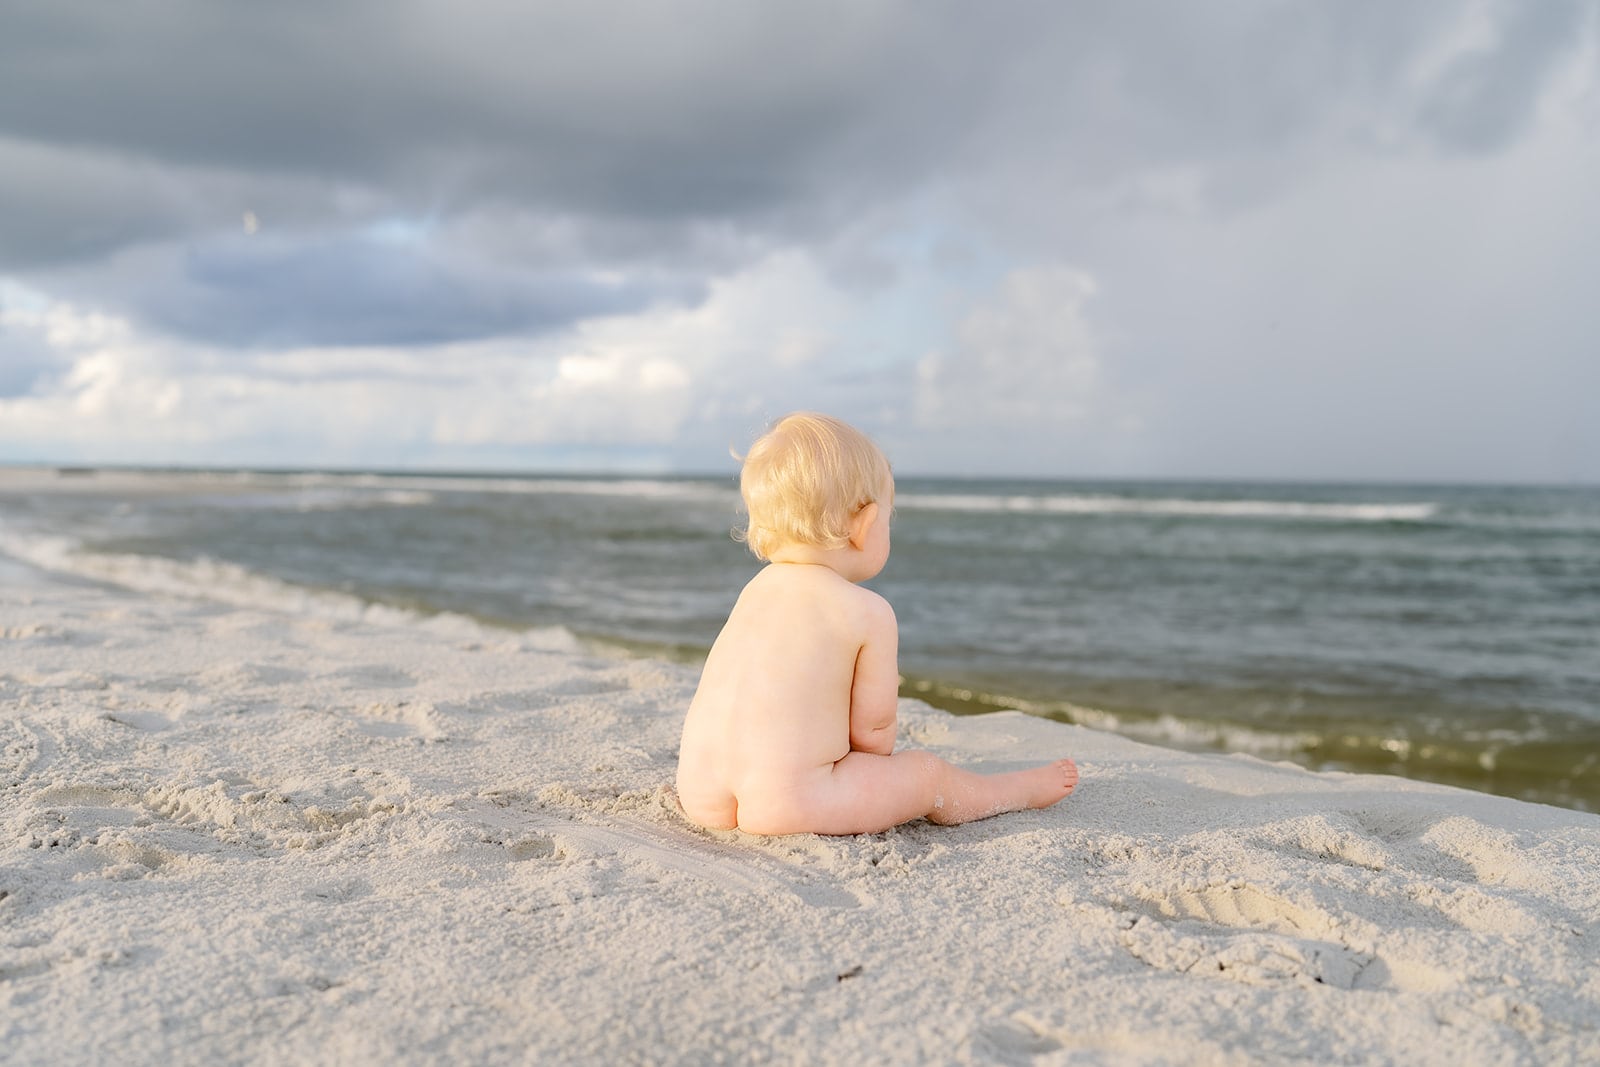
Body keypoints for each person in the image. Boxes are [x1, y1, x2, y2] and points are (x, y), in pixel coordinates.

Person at [675, 412, 1078, 836]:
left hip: (702, 792)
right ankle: (1013, 792)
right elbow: (874, 734)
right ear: (865, 526)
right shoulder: (866, 611)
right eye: (889, 519)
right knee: (926, 774)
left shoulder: (755, 591)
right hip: (790, 803)